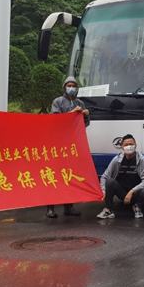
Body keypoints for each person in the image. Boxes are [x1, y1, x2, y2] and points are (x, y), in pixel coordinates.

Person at [45, 76, 90, 218]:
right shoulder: (57, 101)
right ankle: (50, 208)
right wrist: (71, 114)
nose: (71, 88)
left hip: (73, 145)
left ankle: (69, 206)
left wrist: (86, 115)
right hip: (58, 144)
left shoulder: (80, 102)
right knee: (54, 175)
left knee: (70, 175)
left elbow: (84, 125)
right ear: (64, 87)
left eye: (74, 85)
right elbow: (55, 120)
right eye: (69, 85)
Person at [97, 134, 144, 219]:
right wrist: (103, 191)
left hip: (135, 193)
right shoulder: (117, 160)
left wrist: (131, 192)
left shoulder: (142, 160)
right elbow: (105, 176)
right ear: (122, 147)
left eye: (131, 144)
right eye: (126, 145)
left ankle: (137, 207)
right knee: (110, 182)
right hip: (122, 192)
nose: (129, 147)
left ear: (135, 146)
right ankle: (109, 209)